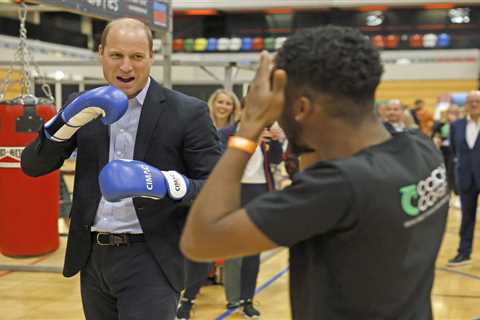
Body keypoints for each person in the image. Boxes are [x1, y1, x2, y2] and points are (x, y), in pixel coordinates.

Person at [179, 26, 449, 319]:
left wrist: (250, 125)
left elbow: (200, 239)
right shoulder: (421, 149)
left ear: (302, 108)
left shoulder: (338, 187)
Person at [21, 18, 221, 320]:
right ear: (101, 54)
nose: (126, 66)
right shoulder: (83, 106)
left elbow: (217, 189)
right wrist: (66, 121)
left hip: (151, 257)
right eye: (117, 55)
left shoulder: (187, 112)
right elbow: (33, 166)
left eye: (137, 57)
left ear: (152, 57)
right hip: (92, 258)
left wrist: (165, 183)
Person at [176, 89, 241, 320]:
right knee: (181, 250)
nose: (224, 106)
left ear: (233, 108)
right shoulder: (197, 126)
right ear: (213, 104)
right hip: (192, 194)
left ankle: (187, 300)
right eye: (220, 102)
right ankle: (177, 296)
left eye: (228, 103)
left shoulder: (235, 133)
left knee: (203, 255)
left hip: (218, 199)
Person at [448, 91, 480, 267]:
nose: (474, 104)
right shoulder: (456, 126)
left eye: (477, 101)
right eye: (471, 101)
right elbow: (454, 150)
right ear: (466, 105)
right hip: (466, 178)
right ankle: (463, 253)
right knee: (467, 218)